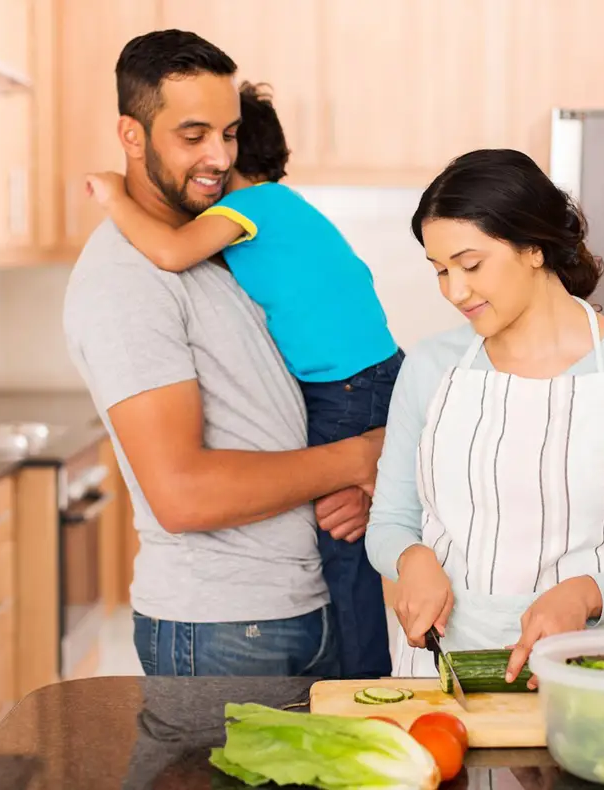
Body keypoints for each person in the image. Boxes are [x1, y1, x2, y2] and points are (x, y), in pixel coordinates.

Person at [63, 29, 383, 678]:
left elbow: (275, 415)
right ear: (132, 136)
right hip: (223, 630)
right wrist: (358, 456)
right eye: (193, 135)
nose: (217, 155)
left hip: (297, 606)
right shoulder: (126, 278)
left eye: (230, 134)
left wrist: (357, 482)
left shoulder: (225, 244)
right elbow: (182, 494)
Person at [365, 149, 604, 684]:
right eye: (440, 271)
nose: (455, 291)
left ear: (533, 247)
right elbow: (389, 522)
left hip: (580, 676)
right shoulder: (430, 368)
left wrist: (586, 594)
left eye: (471, 264)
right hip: (433, 673)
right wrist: (411, 558)